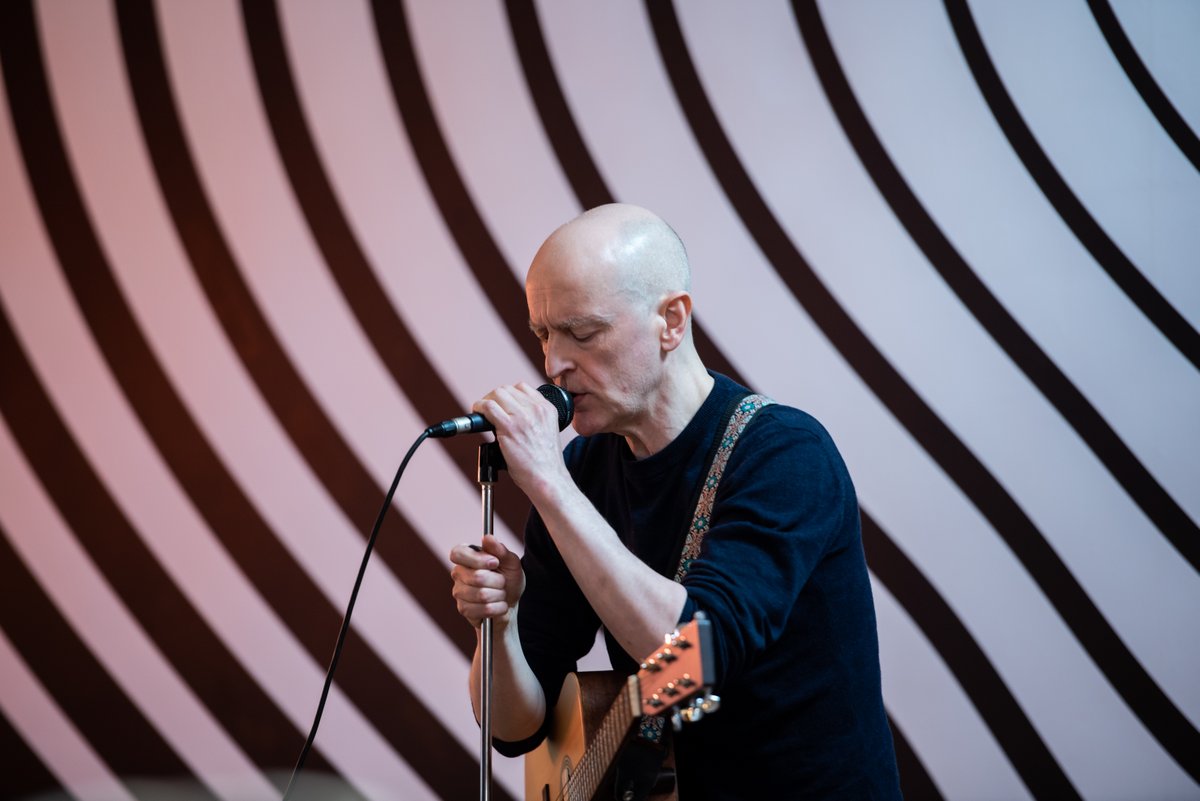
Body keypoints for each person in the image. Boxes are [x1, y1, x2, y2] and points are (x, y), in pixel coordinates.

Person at [449, 204, 901, 799]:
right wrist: (500, 628)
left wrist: (548, 483)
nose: (553, 363)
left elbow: (690, 656)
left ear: (671, 321)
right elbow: (515, 729)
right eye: (543, 333)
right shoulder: (588, 470)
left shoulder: (785, 455)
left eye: (582, 332)